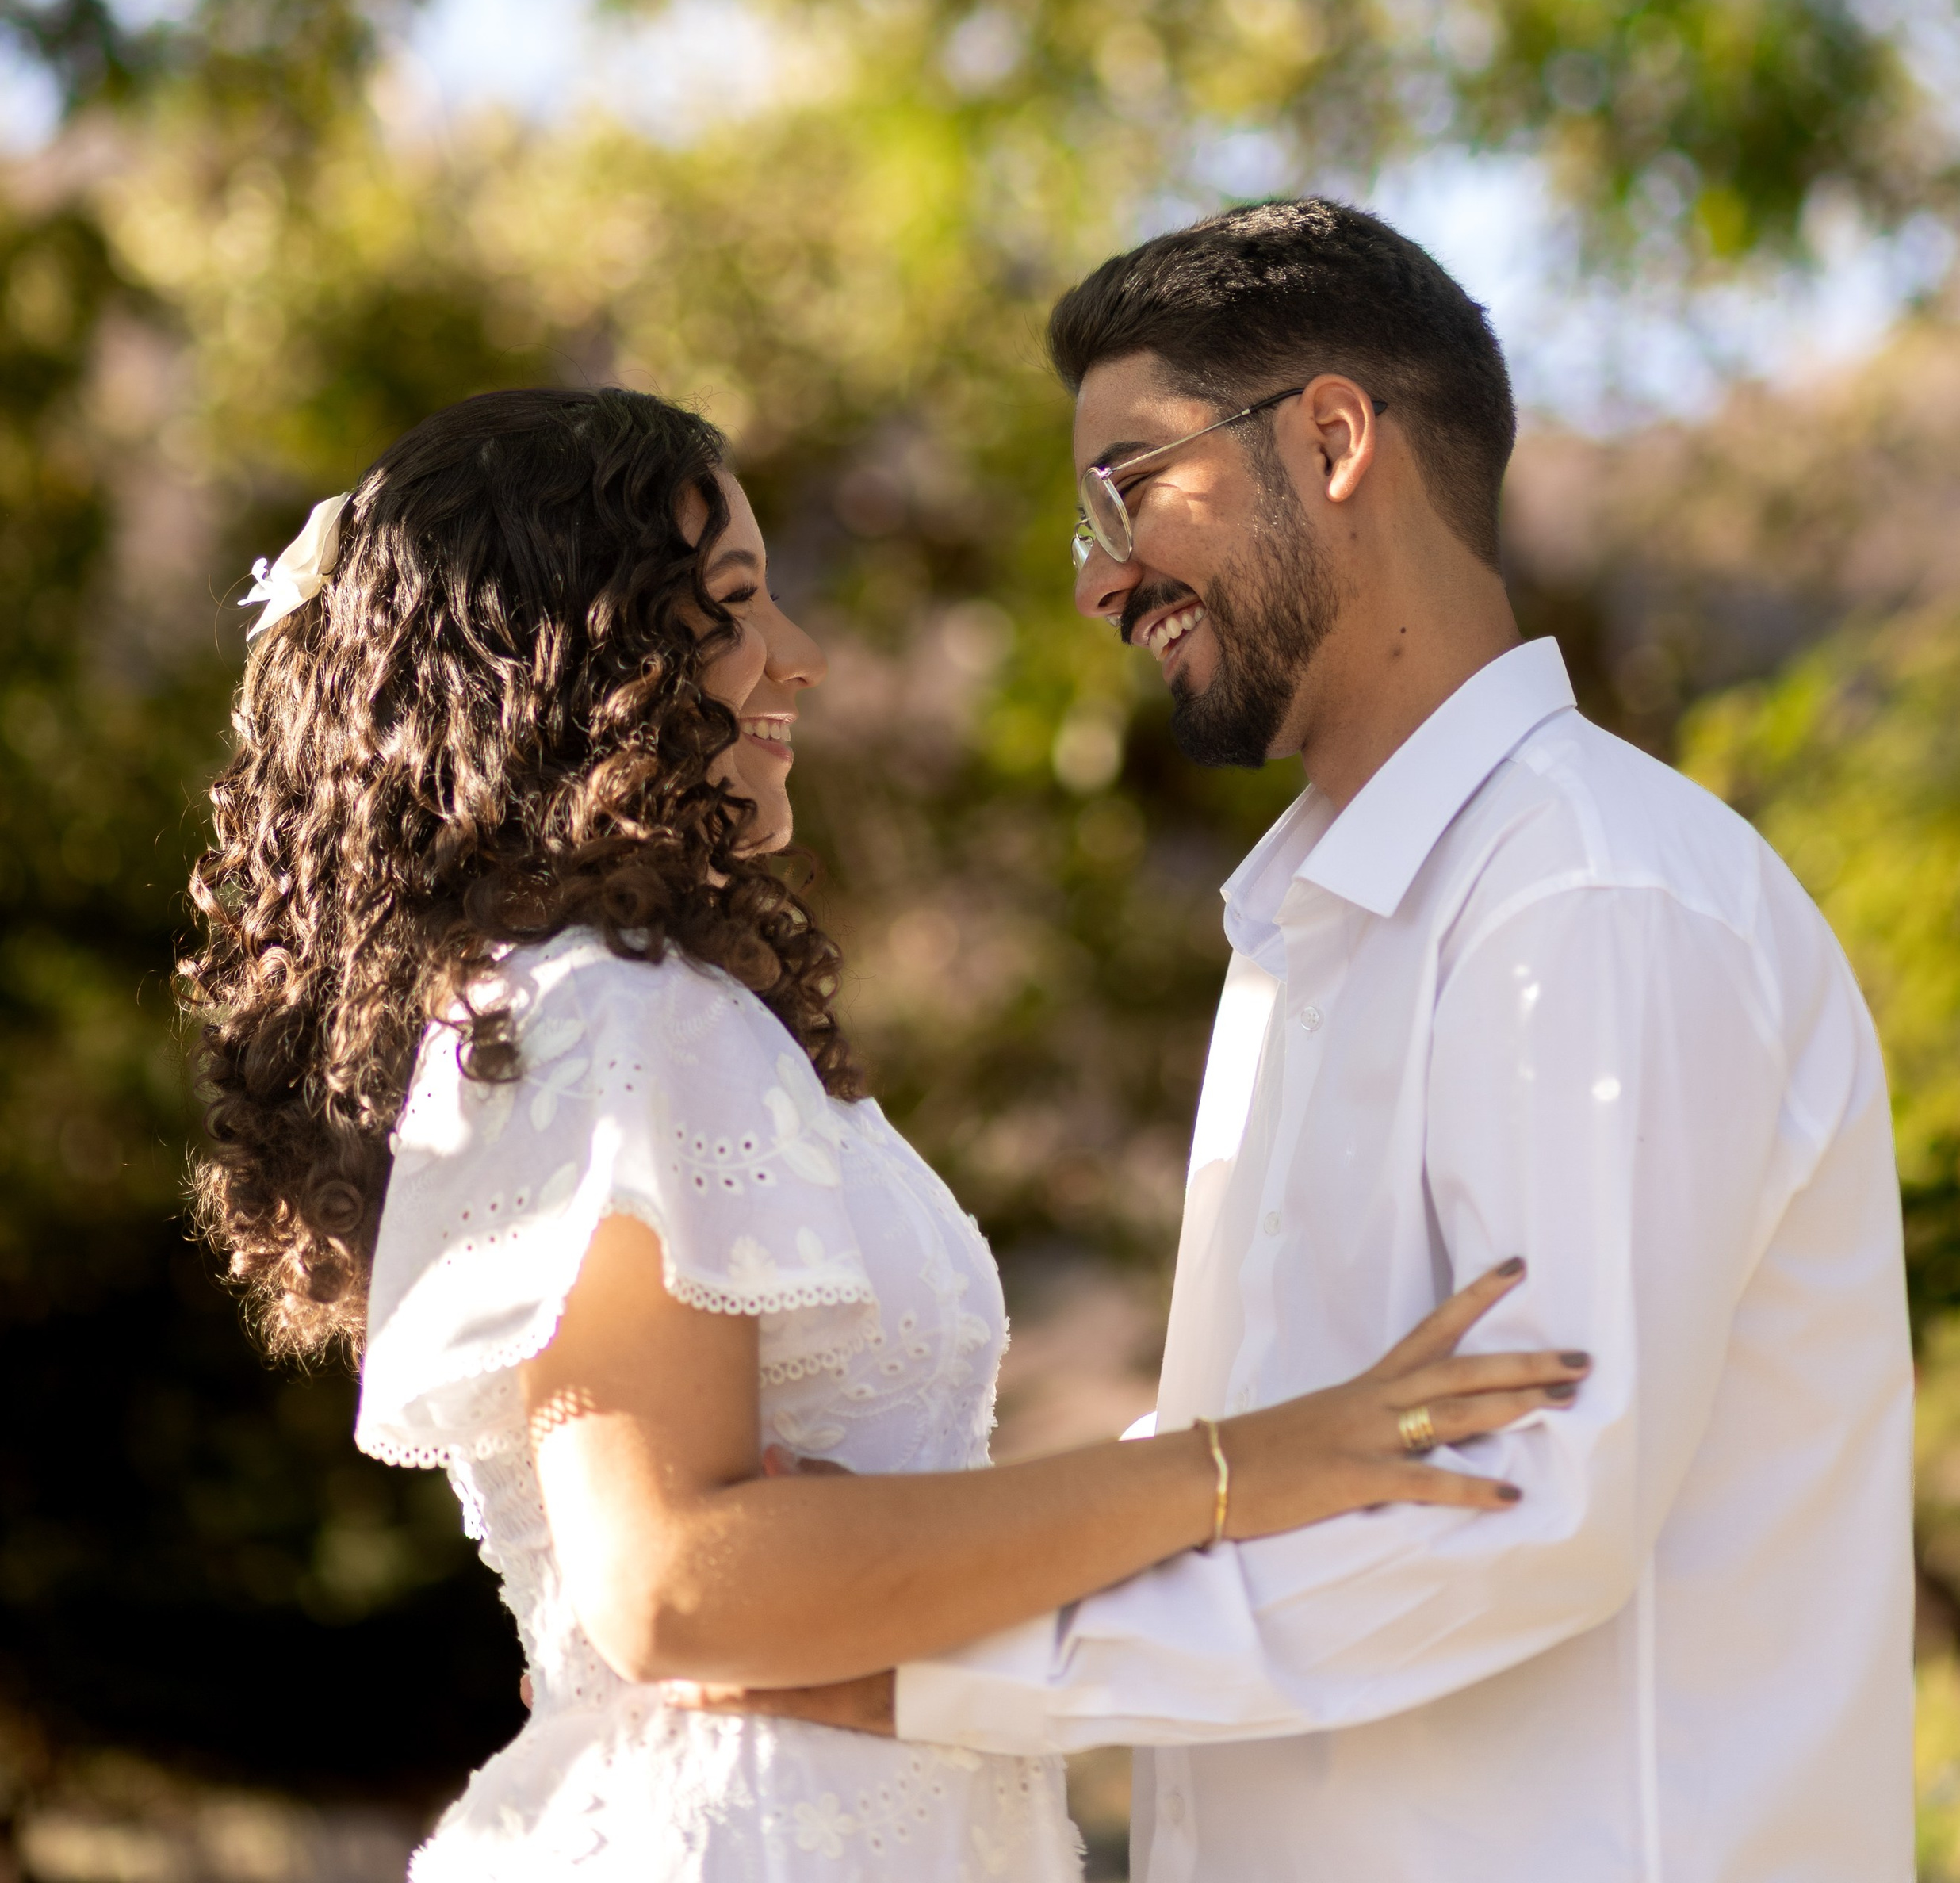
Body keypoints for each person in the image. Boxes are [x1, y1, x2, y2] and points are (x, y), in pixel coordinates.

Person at [182, 381, 1588, 1883]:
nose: (802, 655)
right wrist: (1241, 1472)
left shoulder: (617, 1010)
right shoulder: (607, 1008)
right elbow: (665, 1585)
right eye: (732, 604)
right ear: (573, 659)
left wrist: (906, 1539)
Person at [710, 201, 1916, 1883]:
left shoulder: (1587, 898)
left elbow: (1514, 1502)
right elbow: (1260, 1462)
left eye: (1129, 485)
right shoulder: (1309, 932)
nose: (1093, 575)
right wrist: (902, 1548)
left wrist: (924, 1662)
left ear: (1332, 438)